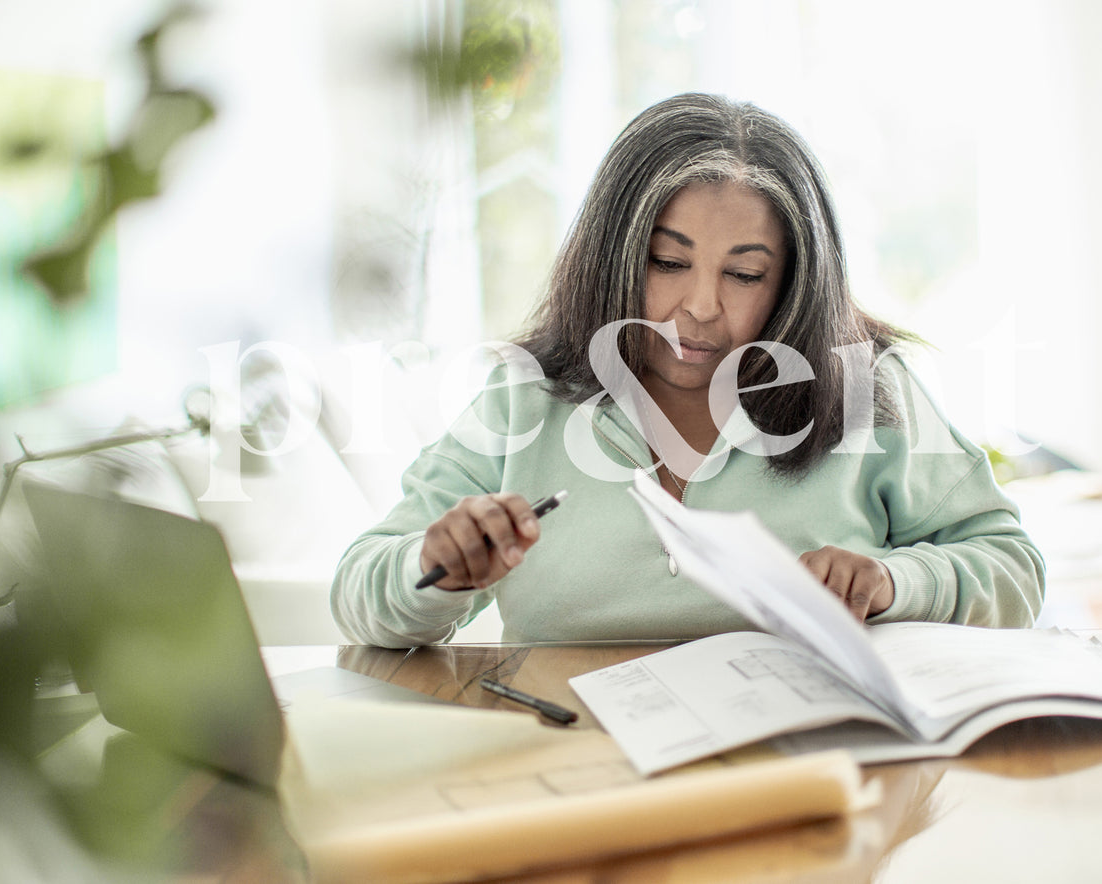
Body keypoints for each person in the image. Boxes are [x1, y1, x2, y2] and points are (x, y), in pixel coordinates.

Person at [331, 93, 1044, 646]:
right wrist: (436, 571)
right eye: (668, 263)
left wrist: (893, 583)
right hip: (580, 769)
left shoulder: (867, 390)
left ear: (793, 279)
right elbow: (359, 595)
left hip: (809, 771)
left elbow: (1013, 569)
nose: (700, 307)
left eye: (744, 273)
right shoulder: (522, 401)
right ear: (613, 255)